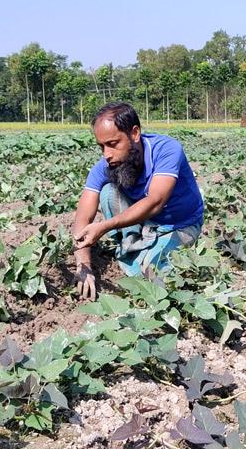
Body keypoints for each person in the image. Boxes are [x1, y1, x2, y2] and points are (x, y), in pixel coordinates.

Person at [72, 102, 205, 300]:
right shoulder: (104, 166)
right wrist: (84, 265)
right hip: (142, 222)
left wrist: (105, 226)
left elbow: (155, 202)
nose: (106, 154)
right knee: (108, 192)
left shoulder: (166, 150)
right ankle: (135, 244)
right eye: (101, 146)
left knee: (155, 276)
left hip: (179, 224)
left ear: (134, 133)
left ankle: (140, 253)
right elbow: (81, 220)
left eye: (113, 144)